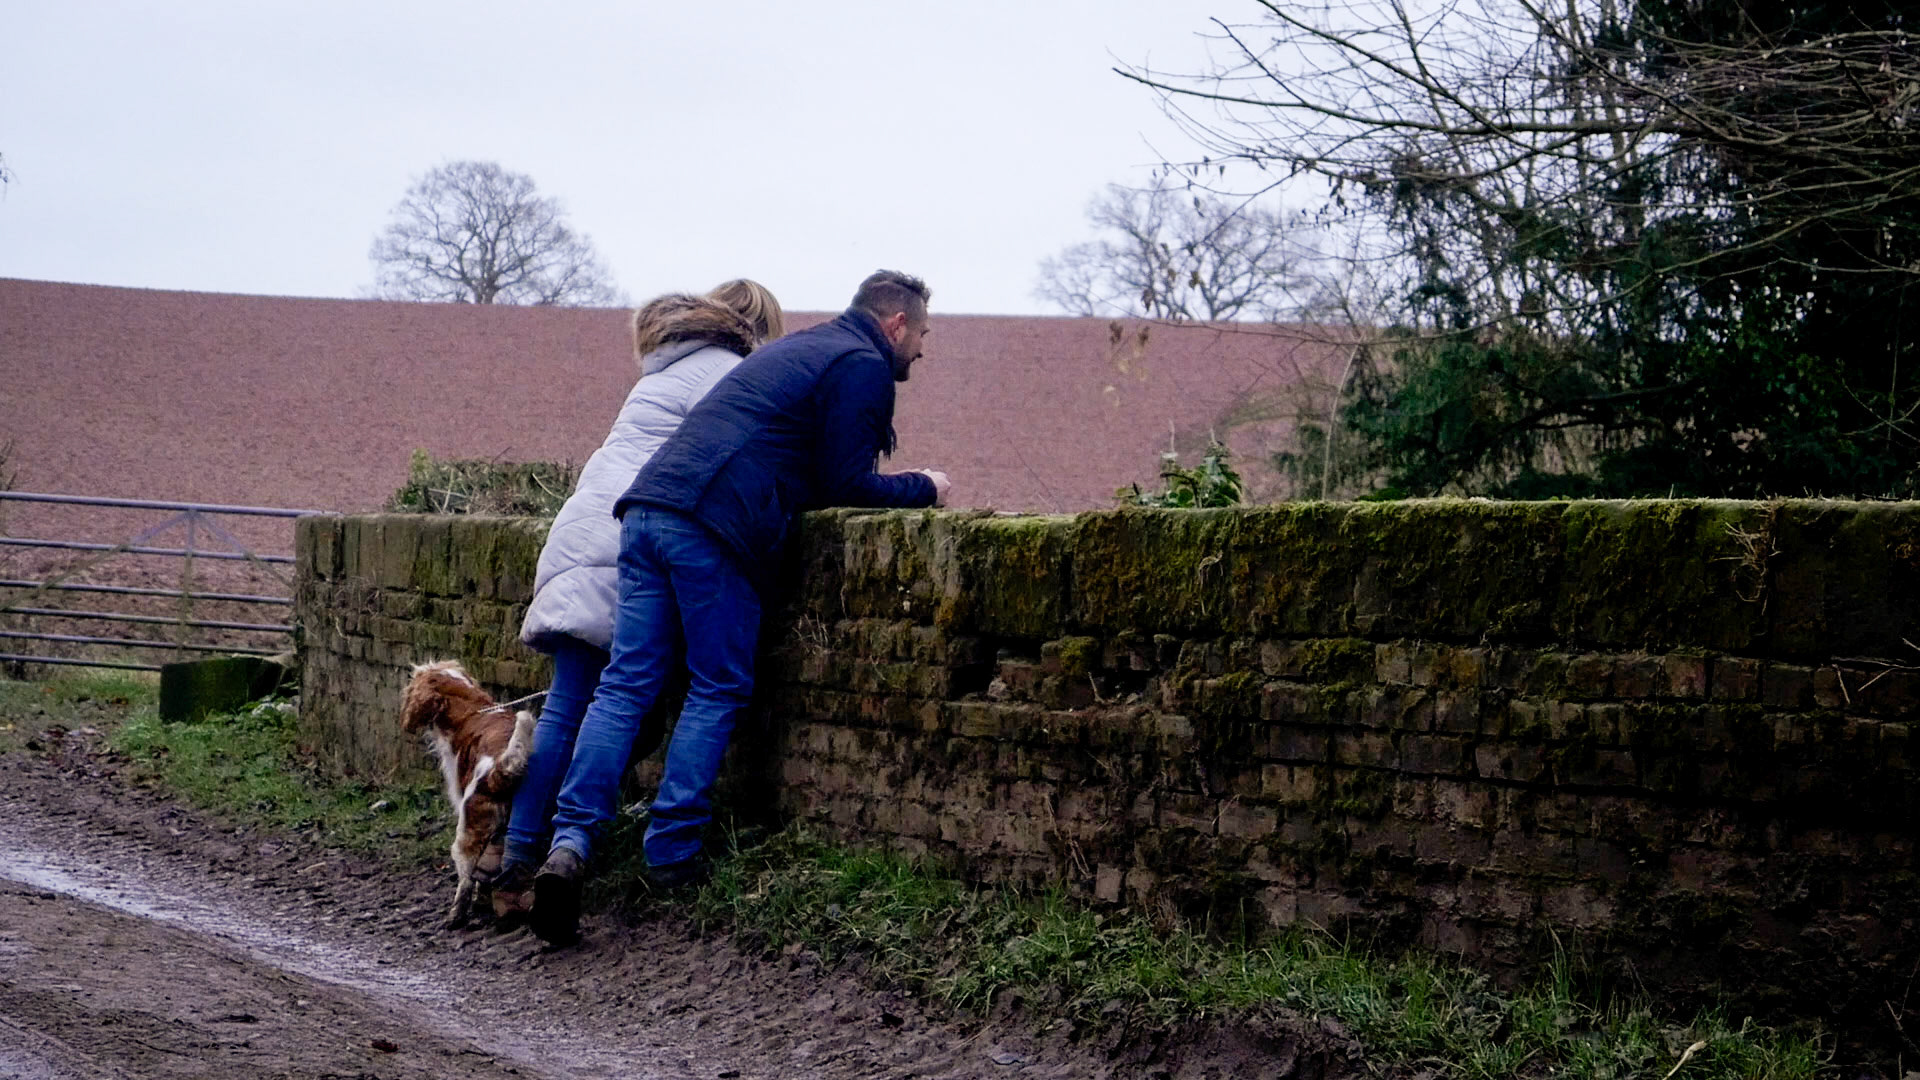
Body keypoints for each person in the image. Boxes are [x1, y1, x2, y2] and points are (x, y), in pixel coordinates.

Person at [529, 270, 951, 944]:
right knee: (718, 684)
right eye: (923, 332)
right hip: (712, 524)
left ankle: (570, 842)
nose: (924, 348)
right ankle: (671, 853)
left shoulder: (800, 348)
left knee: (625, 684)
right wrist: (923, 487)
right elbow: (846, 483)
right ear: (896, 323)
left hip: (645, 508)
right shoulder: (863, 363)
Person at [490, 282, 785, 922]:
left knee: (574, 702)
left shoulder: (662, 372)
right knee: (618, 692)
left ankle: (523, 857)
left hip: (582, 529)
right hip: (635, 533)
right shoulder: (732, 375)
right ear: (759, 333)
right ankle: (601, 850)